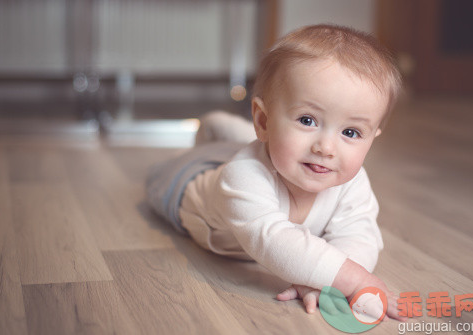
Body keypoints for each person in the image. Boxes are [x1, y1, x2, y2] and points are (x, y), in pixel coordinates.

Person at [146, 24, 405, 320]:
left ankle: (227, 129)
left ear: (373, 137)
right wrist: (355, 281)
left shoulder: (350, 181)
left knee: (251, 146)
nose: (326, 147)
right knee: (188, 166)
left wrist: (327, 283)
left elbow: (360, 234)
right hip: (189, 182)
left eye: (351, 131)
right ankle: (214, 128)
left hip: (267, 150)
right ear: (263, 120)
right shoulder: (243, 177)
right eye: (308, 120)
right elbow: (274, 241)